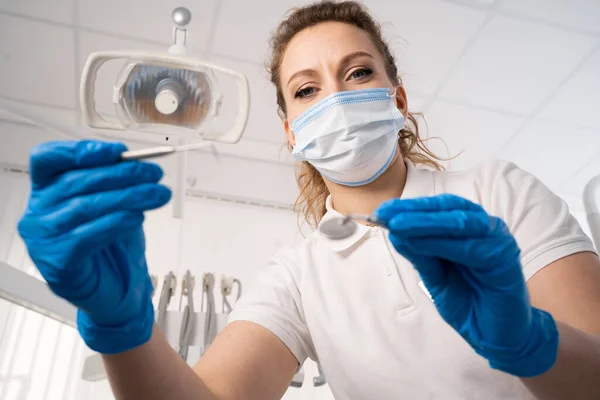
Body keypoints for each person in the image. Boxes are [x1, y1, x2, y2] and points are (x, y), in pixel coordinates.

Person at [16, 1, 600, 399]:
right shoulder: (297, 276)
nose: (337, 98)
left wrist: (528, 340)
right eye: (306, 90)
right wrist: (123, 330)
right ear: (293, 132)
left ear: (396, 98)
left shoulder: (497, 191)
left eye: (358, 72)